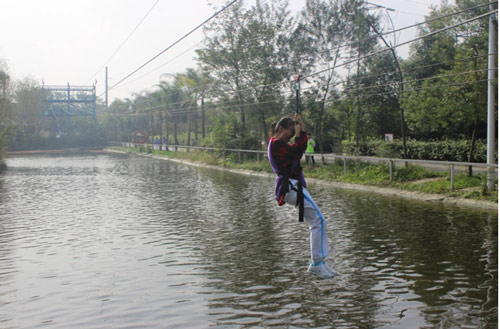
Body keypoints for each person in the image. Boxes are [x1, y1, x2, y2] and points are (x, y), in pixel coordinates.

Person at [267, 113, 336, 279]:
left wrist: (301, 129)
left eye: (293, 134)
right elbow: (297, 152)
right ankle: (317, 264)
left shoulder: (280, 144)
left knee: (315, 221)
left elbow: (297, 150)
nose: (291, 136)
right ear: (281, 129)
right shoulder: (276, 144)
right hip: (292, 188)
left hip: (294, 188)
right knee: (318, 220)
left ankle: (320, 263)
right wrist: (300, 135)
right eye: (290, 132)